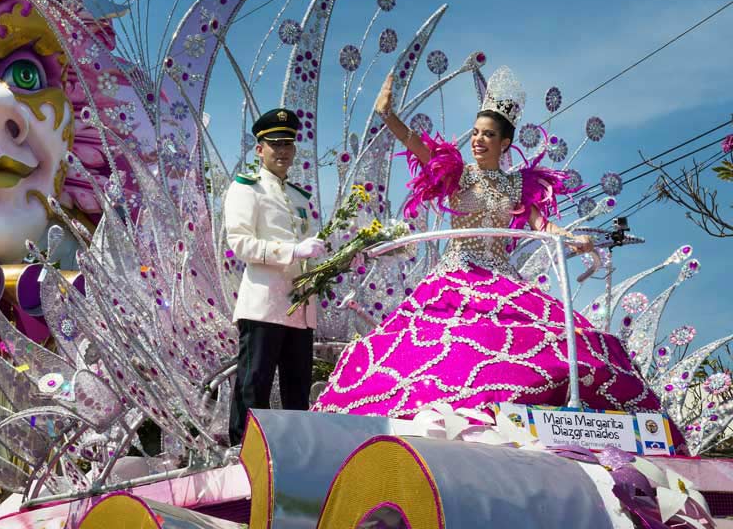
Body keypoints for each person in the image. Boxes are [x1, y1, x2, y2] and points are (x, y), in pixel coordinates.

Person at [312, 67, 662, 417]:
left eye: (488, 135)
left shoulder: (516, 186)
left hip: (501, 277)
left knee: (534, 347)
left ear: (504, 143)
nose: (478, 140)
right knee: (447, 349)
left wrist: (572, 238)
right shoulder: (458, 174)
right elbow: (413, 143)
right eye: (476, 133)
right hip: (456, 275)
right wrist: (387, 114)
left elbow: (543, 225)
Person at [225, 108, 327, 445]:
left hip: (300, 310)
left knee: (297, 391)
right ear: (260, 149)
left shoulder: (299, 198)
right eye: (275, 144)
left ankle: (296, 456)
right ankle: (243, 452)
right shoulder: (247, 189)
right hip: (265, 305)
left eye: (289, 144)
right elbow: (239, 242)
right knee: (254, 384)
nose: (283, 151)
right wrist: (292, 252)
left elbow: (309, 247)